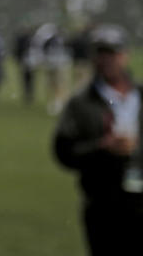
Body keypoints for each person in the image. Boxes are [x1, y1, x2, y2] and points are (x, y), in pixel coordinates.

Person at [53, 25, 143, 255]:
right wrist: (101, 147)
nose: (106, 60)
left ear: (124, 55)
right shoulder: (81, 103)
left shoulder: (139, 96)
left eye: (111, 53)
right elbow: (63, 152)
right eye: (100, 53)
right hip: (102, 201)